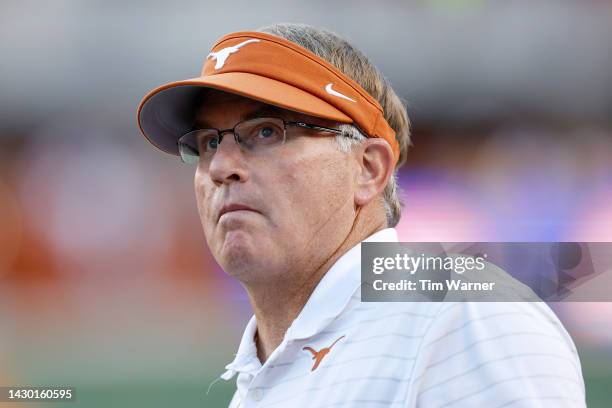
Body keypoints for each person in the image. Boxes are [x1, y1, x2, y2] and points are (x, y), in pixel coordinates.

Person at [136, 23, 586, 407]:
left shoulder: (465, 314)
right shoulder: (259, 376)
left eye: (267, 131)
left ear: (368, 169)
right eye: (208, 142)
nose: (219, 167)